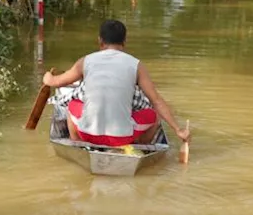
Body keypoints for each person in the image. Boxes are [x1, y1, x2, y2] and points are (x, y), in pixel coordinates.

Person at [42, 19, 191, 147]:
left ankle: (78, 145)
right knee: (154, 115)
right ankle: (141, 147)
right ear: (124, 42)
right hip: (122, 139)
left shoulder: (85, 61)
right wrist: (178, 130)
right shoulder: (136, 65)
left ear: (100, 40)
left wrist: (48, 76)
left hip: (88, 134)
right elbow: (156, 101)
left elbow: (54, 82)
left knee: (72, 105)